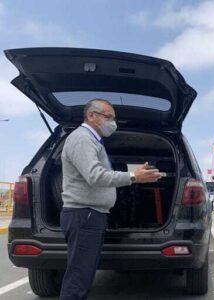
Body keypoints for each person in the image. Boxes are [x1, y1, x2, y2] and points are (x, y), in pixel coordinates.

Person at [59, 99, 162, 299]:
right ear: (91, 116)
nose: (113, 123)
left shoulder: (92, 141)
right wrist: (133, 177)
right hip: (84, 215)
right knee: (79, 276)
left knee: (83, 273)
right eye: (109, 117)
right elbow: (95, 176)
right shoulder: (82, 139)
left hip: (91, 215)